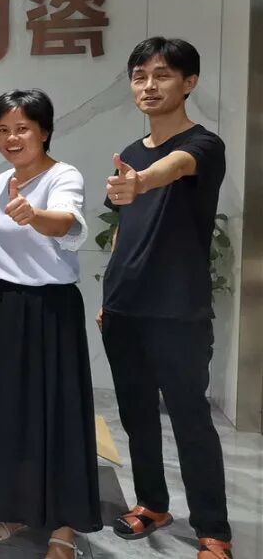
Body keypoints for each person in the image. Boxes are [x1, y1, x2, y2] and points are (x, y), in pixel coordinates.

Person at [99, 37, 232, 559]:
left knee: (190, 419)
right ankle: (152, 504)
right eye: (139, 76)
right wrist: (109, 294)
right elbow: (123, 230)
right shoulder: (130, 153)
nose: (149, 86)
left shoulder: (203, 145)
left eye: (162, 75)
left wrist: (142, 181)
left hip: (178, 309)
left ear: (189, 82)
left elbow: (172, 167)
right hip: (125, 307)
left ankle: (213, 530)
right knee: (136, 417)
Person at [0, 89, 101, 558]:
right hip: (3, 305)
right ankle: (15, 507)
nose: (12, 138)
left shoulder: (62, 175)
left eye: (23, 129)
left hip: (50, 309)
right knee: (10, 413)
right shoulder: (2, 181)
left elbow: (67, 223)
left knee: (59, 415)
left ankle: (64, 528)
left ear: (45, 131)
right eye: (3, 130)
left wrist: (35, 215)